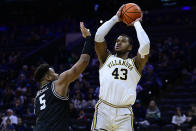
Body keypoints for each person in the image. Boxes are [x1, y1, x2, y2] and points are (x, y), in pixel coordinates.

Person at [92, 4, 150, 131]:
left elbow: (145, 44)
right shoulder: (106, 57)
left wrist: (136, 23)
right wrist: (115, 19)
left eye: (123, 41)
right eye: (117, 40)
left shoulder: (135, 63)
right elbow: (98, 36)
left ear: (130, 47)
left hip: (125, 112)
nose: (118, 42)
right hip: (104, 109)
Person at [33, 22, 93, 131]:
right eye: (54, 73)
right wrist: (88, 38)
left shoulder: (37, 98)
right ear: (48, 77)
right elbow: (84, 61)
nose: (57, 74)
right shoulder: (58, 83)